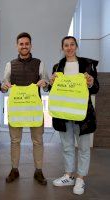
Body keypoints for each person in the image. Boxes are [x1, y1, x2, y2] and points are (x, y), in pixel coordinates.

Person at [50, 36, 99, 195]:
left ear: (76, 47)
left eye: (72, 45)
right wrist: (51, 84)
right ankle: (69, 175)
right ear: (62, 48)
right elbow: (53, 91)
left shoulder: (87, 65)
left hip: (83, 114)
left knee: (84, 147)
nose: (69, 48)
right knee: (67, 146)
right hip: (64, 114)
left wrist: (91, 82)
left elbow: (95, 88)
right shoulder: (57, 67)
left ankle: (80, 178)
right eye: (66, 45)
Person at [1, 32, 48, 185]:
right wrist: (4, 86)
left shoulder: (40, 63)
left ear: (30, 45)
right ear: (17, 46)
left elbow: (46, 83)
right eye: (21, 44)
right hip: (16, 109)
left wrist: (44, 82)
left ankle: (39, 171)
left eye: (27, 43)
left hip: (34, 108)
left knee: (38, 140)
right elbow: (3, 86)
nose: (24, 46)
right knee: (15, 140)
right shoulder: (10, 64)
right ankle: (14, 169)